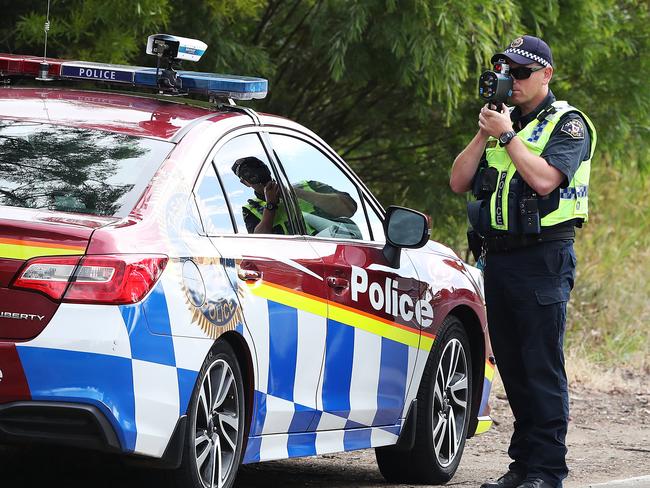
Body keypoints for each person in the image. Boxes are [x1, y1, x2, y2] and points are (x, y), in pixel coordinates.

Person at [449, 35, 596, 488]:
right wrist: (485, 130)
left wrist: (508, 135)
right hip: (500, 260)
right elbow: (458, 181)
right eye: (504, 72)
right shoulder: (500, 124)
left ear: (545, 74)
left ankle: (548, 471)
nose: (509, 80)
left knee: (541, 367)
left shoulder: (566, 124)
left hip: (544, 258)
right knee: (512, 367)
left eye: (520, 73)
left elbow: (546, 179)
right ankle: (522, 467)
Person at [231, 156, 358, 235]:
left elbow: (349, 208)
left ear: (267, 168)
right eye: (248, 174)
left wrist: (295, 192)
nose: (256, 174)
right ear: (244, 183)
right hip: (295, 267)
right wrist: (271, 206)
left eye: (258, 168)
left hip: (332, 254)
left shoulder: (308, 185)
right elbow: (258, 243)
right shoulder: (251, 209)